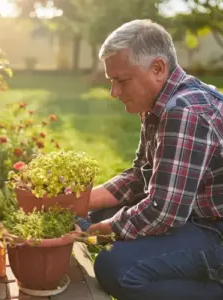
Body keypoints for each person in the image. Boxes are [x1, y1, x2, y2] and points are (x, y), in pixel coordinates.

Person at [80, 19, 223, 300]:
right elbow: (139, 176)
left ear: (157, 69)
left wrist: (98, 232)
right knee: (90, 215)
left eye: (121, 80)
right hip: (191, 215)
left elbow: (164, 211)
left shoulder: (185, 111)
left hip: (215, 229)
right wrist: (78, 202)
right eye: (111, 81)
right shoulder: (158, 104)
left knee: (116, 267)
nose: (114, 92)